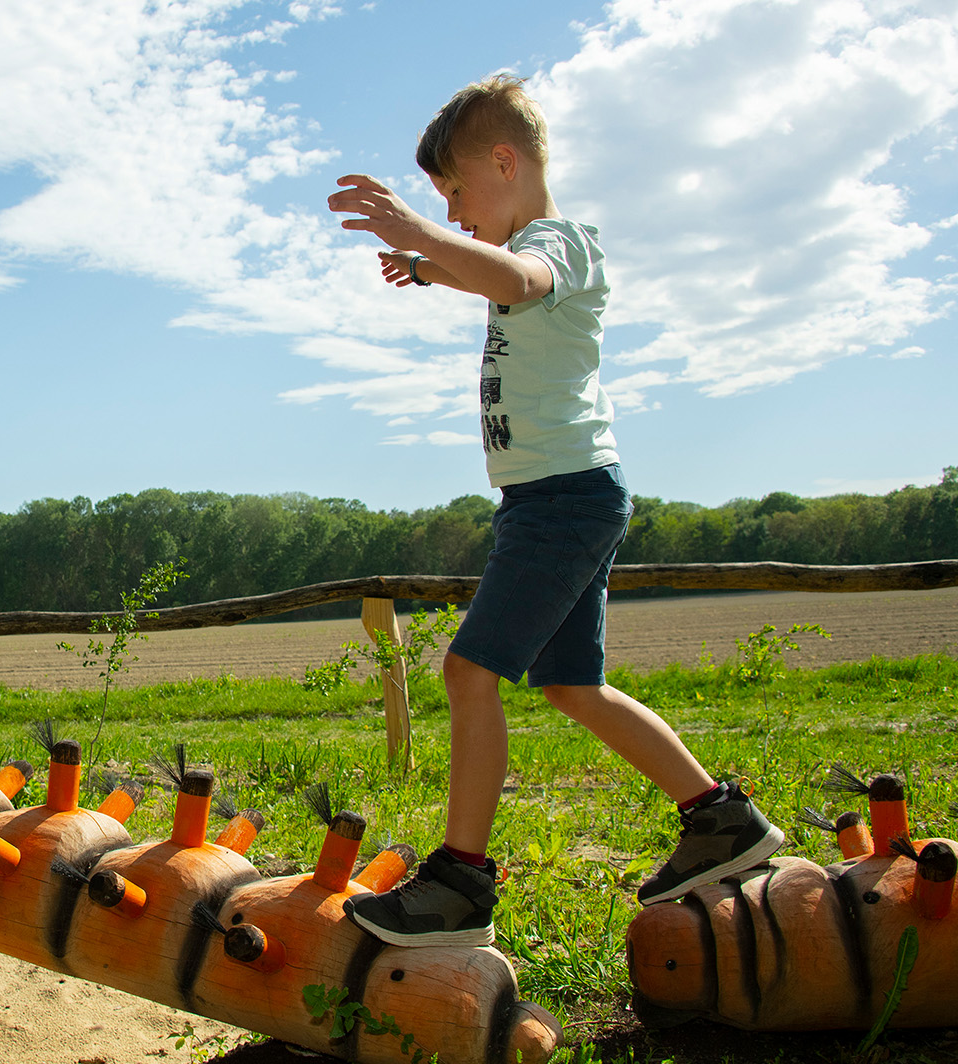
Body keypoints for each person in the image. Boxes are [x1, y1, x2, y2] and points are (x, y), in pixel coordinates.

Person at [326, 74, 784, 948]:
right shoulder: (513, 254)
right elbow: (492, 277)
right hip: (557, 496)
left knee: (469, 672)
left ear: (506, 162)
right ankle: (720, 820)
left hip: (563, 499)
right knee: (573, 684)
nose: (453, 212)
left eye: (456, 192)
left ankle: (460, 880)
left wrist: (416, 233)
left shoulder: (560, 244)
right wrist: (426, 268)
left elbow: (521, 279)